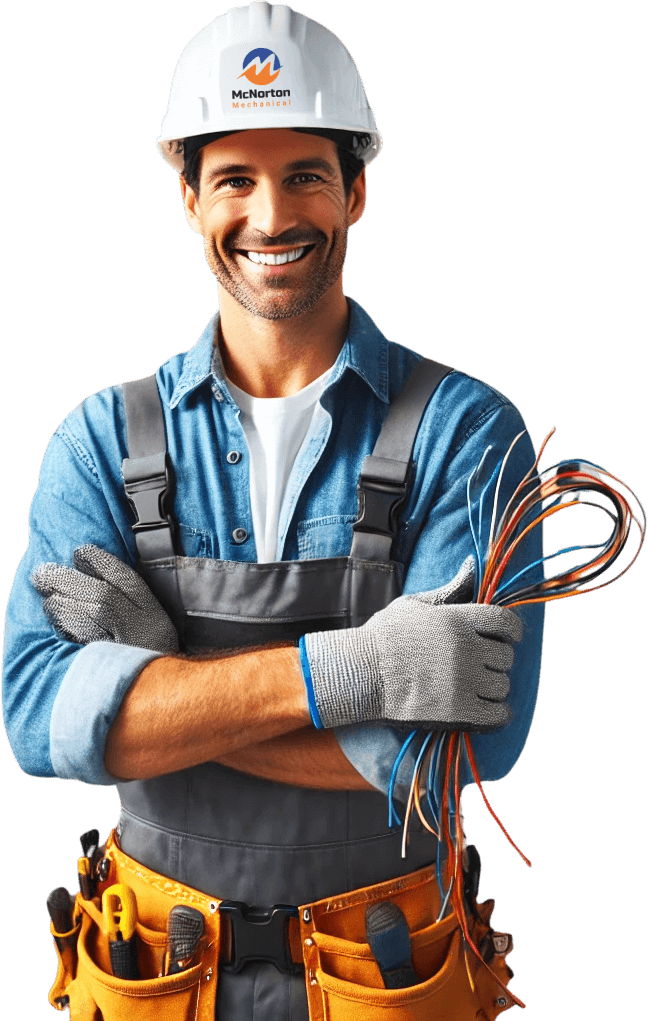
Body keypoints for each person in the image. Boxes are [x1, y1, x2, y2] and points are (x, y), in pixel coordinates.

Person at [2, 3, 545, 1017]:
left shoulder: (467, 433)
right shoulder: (102, 441)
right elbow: (40, 723)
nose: (270, 216)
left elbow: (462, 751)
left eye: (304, 174)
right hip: (149, 973)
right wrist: (360, 672)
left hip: (393, 977)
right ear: (190, 202)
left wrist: (159, 683)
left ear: (357, 192)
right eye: (236, 180)